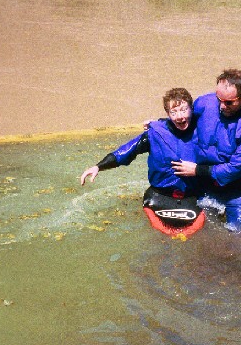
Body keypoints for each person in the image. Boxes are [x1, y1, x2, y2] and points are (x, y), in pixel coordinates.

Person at [80, 88, 205, 236]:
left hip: (194, 197)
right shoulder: (155, 133)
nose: (179, 117)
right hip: (158, 197)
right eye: (174, 112)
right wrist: (98, 166)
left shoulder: (204, 132)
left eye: (184, 110)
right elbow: (126, 151)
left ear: (192, 109)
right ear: (168, 114)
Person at [172, 69, 241, 231]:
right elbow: (182, 122)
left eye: (229, 102)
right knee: (199, 234)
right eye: (219, 99)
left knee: (240, 238)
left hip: (237, 190)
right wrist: (159, 125)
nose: (222, 106)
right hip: (202, 184)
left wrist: (197, 170)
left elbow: (236, 168)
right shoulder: (205, 103)